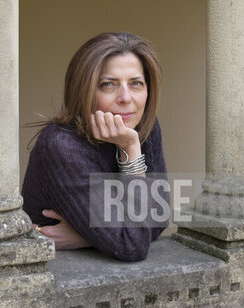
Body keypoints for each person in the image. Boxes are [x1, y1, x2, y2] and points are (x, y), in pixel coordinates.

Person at [21, 32, 169, 262]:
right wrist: (130, 149)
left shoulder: (141, 127)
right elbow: (134, 245)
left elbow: (158, 220)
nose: (126, 97)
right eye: (108, 84)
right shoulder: (61, 146)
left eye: (136, 83)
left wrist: (85, 238)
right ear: (85, 90)